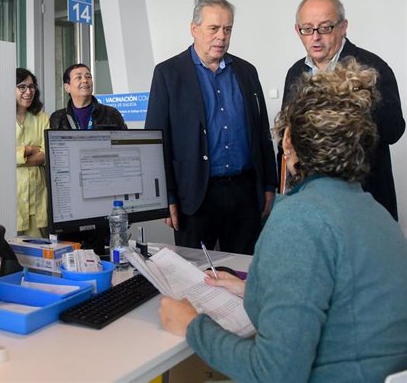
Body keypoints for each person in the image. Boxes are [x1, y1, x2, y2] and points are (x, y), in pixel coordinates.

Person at [159, 58, 407, 382]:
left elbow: (275, 373)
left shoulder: (298, 219)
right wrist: (250, 290)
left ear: (288, 142)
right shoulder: (373, 211)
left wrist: (193, 327)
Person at [145, 0, 277, 255]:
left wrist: (268, 184)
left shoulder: (247, 71)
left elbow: (262, 132)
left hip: (245, 194)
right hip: (194, 196)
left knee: (244, 273)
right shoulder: (168, 74)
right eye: (213, 28)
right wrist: (166, 197)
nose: (221, 36)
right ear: (194, 29)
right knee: (196, 275)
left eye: (227, 29)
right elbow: (158, 140)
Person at [283, 0, 404, 220]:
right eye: (307, 29)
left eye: (325, 28)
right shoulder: (295, 73)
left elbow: (394, 129)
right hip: (313, 200)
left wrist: (352, 101)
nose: (315, 37)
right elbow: (287, 136)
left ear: (343, 27)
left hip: (364, 197)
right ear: (297, 31)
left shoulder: (372, 67)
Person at [15, 68, 49, 237]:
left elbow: (46, 154)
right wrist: (28, 149)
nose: (28, 92)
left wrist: (17, 157)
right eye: (22, 87)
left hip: (37, 200)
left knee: (37, 256)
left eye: (31, 87)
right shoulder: (0, 117)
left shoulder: (42, 118)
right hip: (12, 199)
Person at [49, 63, 127, 130]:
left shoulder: (111, 114)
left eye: (88, 77)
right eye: (79, 77)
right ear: (67, 87)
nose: (85, 81)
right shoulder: (57, 118)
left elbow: (124, 142)